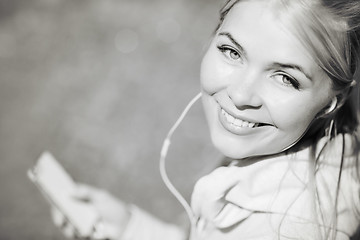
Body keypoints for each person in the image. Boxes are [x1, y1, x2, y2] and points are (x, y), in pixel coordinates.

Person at [51, 0, 360, 239]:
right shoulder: (287, 153)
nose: (240, 96)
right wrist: (128, 227)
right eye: (232, 52)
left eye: (285, 78)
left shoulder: (285, 229)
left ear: (332, 100)